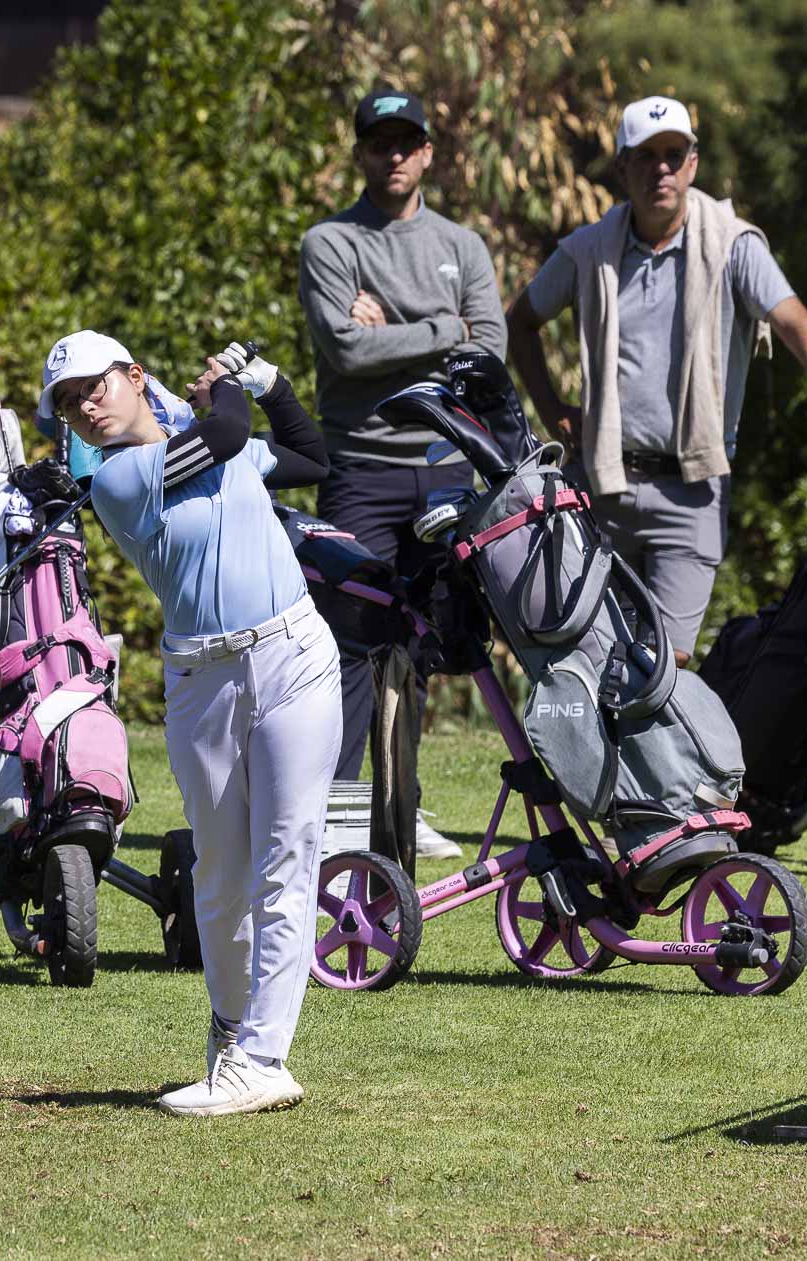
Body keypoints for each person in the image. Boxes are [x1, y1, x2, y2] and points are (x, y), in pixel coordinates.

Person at [37, 330, 338, 1116]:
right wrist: (223, 391)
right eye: (69, 404)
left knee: (287, 855)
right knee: (221, 872)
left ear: (135, 376)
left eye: (94, 386)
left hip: (295, 654)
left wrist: (267, 380)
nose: (85, 407)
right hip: (204, 682)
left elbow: (311, 459)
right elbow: (228, 431)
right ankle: (232, 1030)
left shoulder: (205, 446)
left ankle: (262, 1058)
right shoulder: (117, 479)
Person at [506, 95, 807, 665]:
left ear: (693, 165)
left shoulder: (732, 244)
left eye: (673, 155)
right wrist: (552, 408)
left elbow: (793, 321)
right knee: (586, 654)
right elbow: (521, 322)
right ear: (622, 168)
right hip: (602, 483)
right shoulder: (588, 250)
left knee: (665, 663)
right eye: (646, 156)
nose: (661, 169)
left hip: (693, 490)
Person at [298, 87, 507, 861]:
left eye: (405, 142)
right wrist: (445, 327)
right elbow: (347, 351)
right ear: (360, 152)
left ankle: (401, 806)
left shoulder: (463, 245)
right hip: (361, 468)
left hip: (447, 466)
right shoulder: (330, 242)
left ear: (426, 152)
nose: (393, 154)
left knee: (423, 641)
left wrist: (400, 329)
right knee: (348, 646)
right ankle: (335, 809)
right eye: (379, 142)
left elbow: (488, 352)